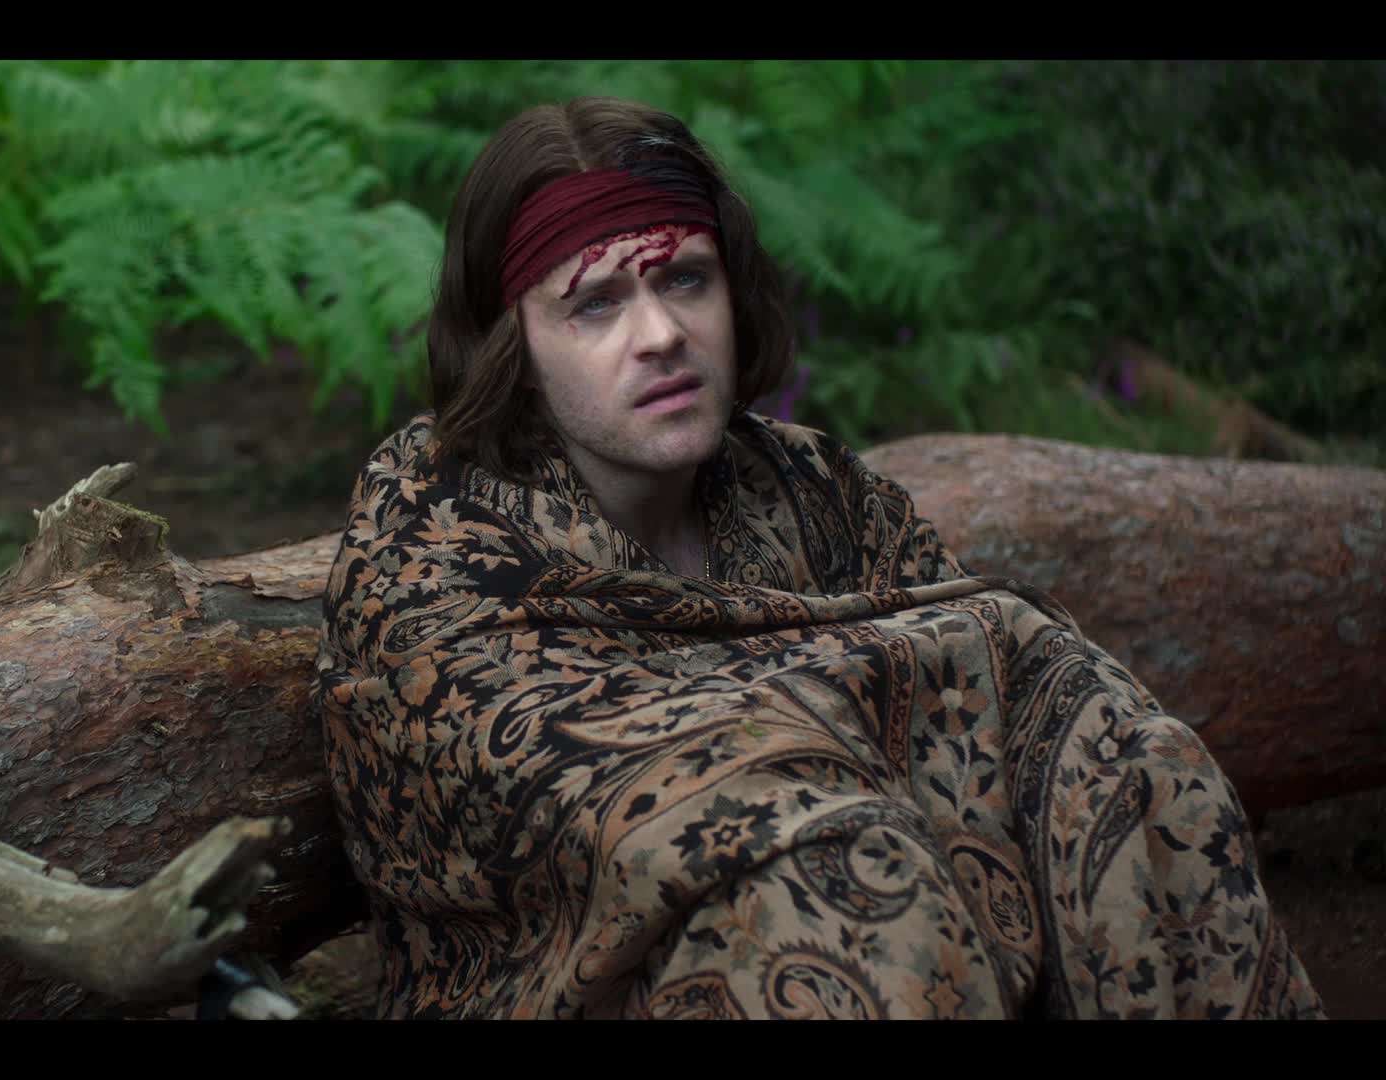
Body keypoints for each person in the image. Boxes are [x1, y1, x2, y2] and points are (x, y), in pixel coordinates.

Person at [311, 96, 1326, 1020]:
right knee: (844, 878)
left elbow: (996, 668)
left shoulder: (809, 490)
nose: (661, 333)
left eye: (685, 279)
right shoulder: (434, 541)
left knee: (1125, 747)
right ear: (515, 348)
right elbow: (594, 810)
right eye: (597, 304)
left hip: (919, 927)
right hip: (616, 973)